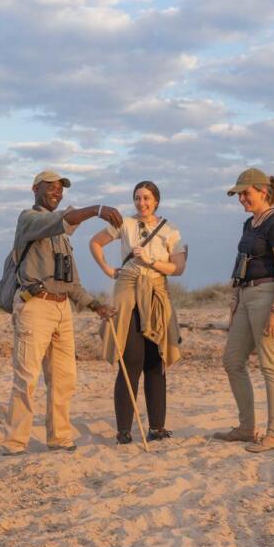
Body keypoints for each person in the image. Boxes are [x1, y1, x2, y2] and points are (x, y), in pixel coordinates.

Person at [1, 170, 121, 456]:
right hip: (34, 306)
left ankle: (59, 438)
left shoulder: (63, 239)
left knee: (64, 378)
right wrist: (97, 210)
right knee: (26, 378)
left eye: (60, 189)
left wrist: (95, 306)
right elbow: (59, 220)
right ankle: (16, 442)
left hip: (61, 308)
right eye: (50, 187)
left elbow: (71, 283)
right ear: (35, 189)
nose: (57, 192)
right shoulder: (28, 220)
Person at [89, 181, 186, 444]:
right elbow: (95, 243)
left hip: (156, 294)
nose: (141, 203)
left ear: (156, 200)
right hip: (127, 293)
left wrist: (150, 261)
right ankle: (124, 431)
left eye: (146, 198)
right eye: (137, 198)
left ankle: (157, 427)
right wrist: (109, 270)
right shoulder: (124, 224)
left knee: (156, 361)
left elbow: (178, 268)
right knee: (130, 360)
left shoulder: (170, 230)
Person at [215, 168, 274, 454]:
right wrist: (235, 298)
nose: (242, 199)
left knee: (270, 365)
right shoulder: (249, 225)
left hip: (269, 295)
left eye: (245, 194)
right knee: (232, 360)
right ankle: (247, 428)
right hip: (246, 295)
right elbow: (242, 262)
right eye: (239, 195)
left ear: (263, 190)